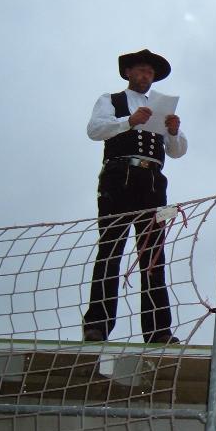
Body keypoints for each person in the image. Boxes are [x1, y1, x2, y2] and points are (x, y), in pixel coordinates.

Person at [83, 49, 188, 344]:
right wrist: (128, 121)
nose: (145, 76)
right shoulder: (111, 100)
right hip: (119, 178)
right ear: (128, 73)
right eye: (141, 71)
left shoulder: (161, 108)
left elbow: (177, 151)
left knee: (153, 255)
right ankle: (97, 325)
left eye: (150, 73)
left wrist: (174, 132)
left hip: (152, 182)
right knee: (110, 250)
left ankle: (157, 330)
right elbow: (94, 130)